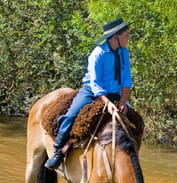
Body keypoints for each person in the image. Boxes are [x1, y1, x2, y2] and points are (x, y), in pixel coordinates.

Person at [45, 17, 132, 170]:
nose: (128, 38)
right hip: (92, 92)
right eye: (126, 35)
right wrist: (107, 103)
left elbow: (126, 80)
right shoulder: (97, 54)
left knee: (134, 120)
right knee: (72, 115)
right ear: (115, 37)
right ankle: (58, 151)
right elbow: (96, 84)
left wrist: (123, 102)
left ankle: (131, 157)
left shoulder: (124, 53)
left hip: (115, 94)